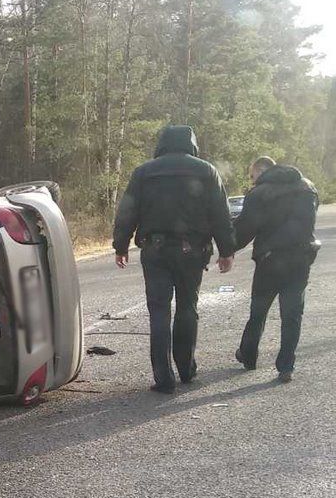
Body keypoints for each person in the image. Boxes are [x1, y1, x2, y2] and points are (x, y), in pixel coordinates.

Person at [112, 125, 236, 393]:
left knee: (159, 311)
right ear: (192, 144)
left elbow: (127, 212)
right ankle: (186, 368)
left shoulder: (144, 172)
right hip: (192, 250)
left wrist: (120, 245)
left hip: (155, 250)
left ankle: (163, 377)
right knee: (187, 308)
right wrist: (227, 250)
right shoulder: (206, 170)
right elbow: (220, 214)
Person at [234, 156, 320, 383]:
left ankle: (248, 356)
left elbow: (245, 228)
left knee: (258, 311)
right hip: (301, 258)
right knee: (292, 314)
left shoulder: (260, 193)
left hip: (270, 260)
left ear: (262, 171)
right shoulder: (307, 187)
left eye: (252, 176)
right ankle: (286, 366)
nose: (252, 181)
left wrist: (227, 248)